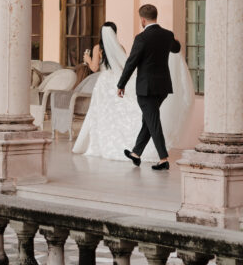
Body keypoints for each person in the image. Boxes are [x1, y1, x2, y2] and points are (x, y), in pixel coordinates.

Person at [72, 18, 192, 161]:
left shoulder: (98, 48)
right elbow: (125, 65)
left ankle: (160, 157)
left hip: (105, 83)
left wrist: (87, 59)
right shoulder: (120, 47)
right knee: (135, 116)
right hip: (117, 80)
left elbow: (94, 68)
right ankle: (138, 152)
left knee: (104, 114)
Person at [118, 4, 181, 171]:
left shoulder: (141, 38)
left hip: (146, 88)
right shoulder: (167, 35)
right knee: (149, 119)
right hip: (162, 87)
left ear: (143, 19)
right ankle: (136, 153)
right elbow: (177, 48)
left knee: (152, 121)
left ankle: (163, 159)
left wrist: (121, 84)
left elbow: (131, 62)